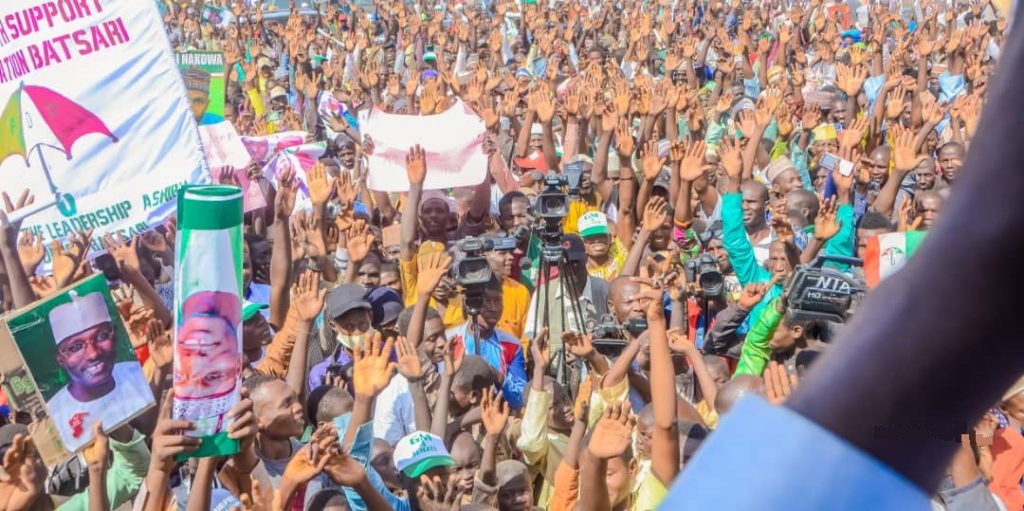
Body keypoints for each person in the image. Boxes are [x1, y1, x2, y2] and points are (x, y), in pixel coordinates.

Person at [47, 291, 154, 452]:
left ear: (115, 335)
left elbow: (145, 431)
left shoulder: (134, 374)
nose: (93, 354)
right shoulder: (55, 410)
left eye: (102, 336)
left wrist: (159, 367)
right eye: (76, 347)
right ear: (60, 358)